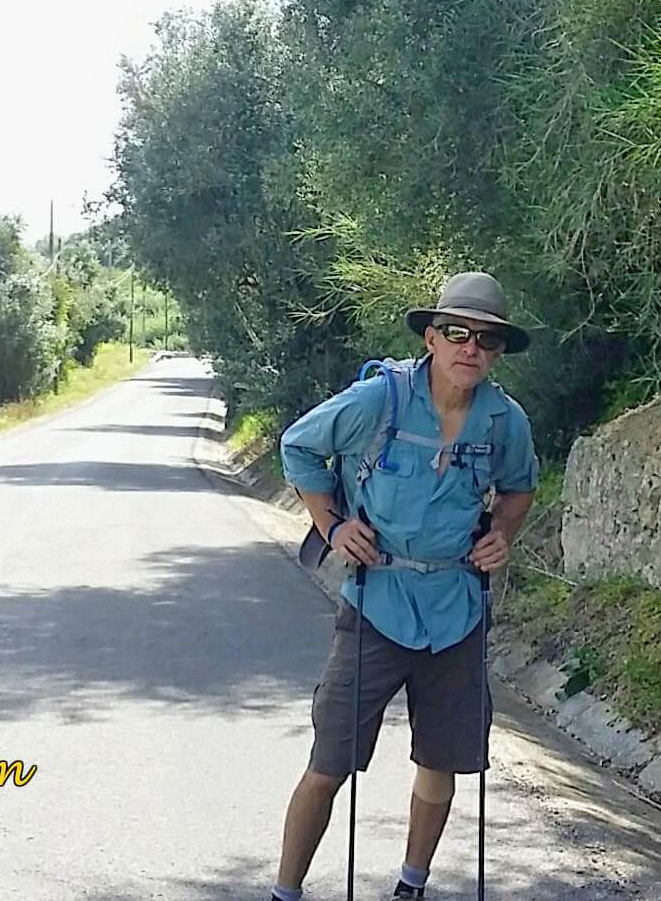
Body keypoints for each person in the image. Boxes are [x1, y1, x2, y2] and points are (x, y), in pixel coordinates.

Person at [265, 272, 540, 901]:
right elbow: (299, 447)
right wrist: (331, 523)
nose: (470, 348)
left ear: (498, 352)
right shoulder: (377, 401)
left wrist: (502, 533)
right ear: (432, 336)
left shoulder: (504, 421)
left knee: (440, 763)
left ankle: (410, 887)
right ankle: (284, 893)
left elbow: (520, 486)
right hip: (376, 605)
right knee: (329, 763)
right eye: (457, 333)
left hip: (456, 609)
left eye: (486, 339)